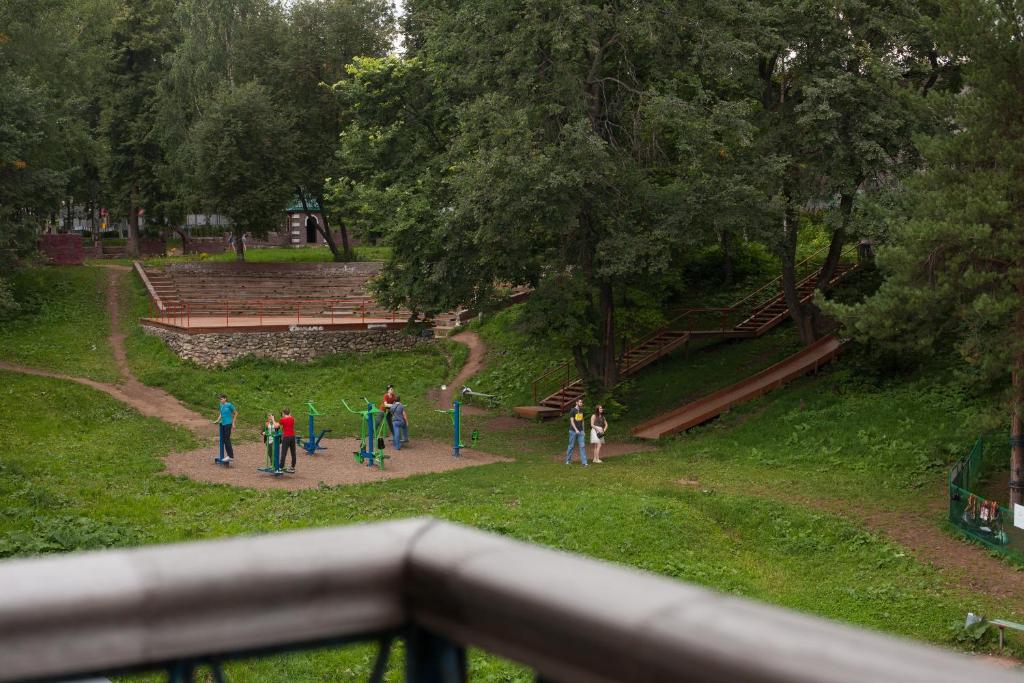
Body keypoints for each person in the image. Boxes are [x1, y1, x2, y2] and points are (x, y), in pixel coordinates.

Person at [564, 398, 588, 466]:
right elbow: (572, 421)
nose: (581, 403)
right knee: (571, 446)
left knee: (582, 446)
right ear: (576, 403)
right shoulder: (572, 410)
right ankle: (567, 460)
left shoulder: (581, 410)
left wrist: (583, 430)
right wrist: (576, 429)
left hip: (581, 431)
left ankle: (584, 463)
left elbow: (582, 421)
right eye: (580, 402)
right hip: (573, 431)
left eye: (582, 402)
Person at [215, 394, 237, 462]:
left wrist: (233, 423)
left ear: (225, 399)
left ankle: (230, 456)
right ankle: (229, 456)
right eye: (220, 399)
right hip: (223, 423)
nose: (220, 400)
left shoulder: (229, 405)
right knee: (224, 439)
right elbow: (221, 413)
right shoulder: (221, 405)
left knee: (227, 439)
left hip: (228, 423)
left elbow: (236, 413)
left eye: (221, 399)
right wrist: (218, 420)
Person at [279, 408, 297, 473]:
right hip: (292, 437)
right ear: (289, 413)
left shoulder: (282, 419)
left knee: (284, 453)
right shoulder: (292, 419)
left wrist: (272, 419)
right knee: (293, 452)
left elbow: (278, 426)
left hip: (286, 437)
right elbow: (293, 422)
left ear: (283, 413)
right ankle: (292, 467)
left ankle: (281, 467)